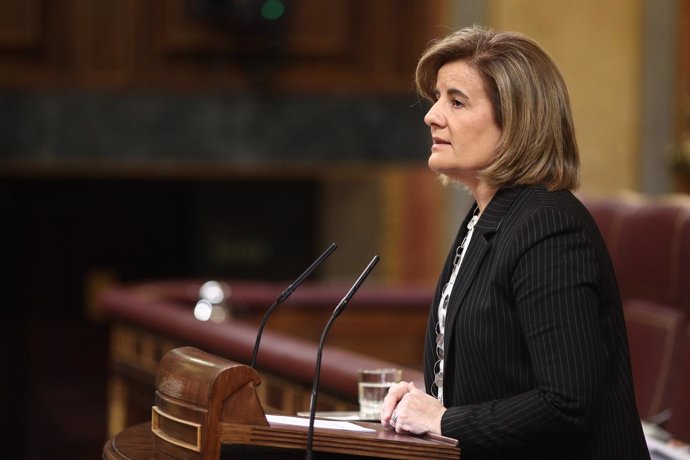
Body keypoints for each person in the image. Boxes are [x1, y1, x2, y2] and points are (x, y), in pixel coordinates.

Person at [380, 25, 650, 459]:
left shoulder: (546, 226)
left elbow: (566, 403)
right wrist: (423, 405)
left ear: (517, 121)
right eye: (437, 99)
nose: (432, 115)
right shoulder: (485, 217)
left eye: (457, 101)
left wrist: (442, 419)